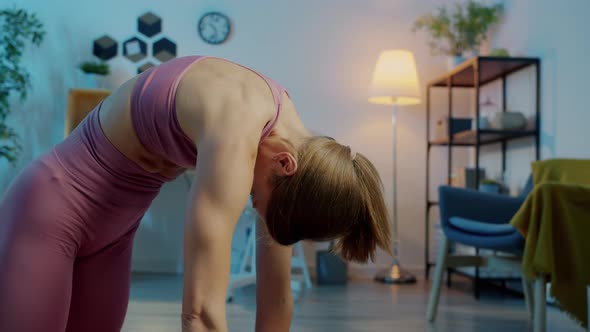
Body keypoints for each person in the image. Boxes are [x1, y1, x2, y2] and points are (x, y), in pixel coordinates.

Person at [0, 55, 391, 332]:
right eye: (260, 203)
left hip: (114, 236)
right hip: (49, 211)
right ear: (285, 165)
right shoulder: (237, 129)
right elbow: (200, 315)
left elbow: (275, 300)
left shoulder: (293, 151)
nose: (253, 205)